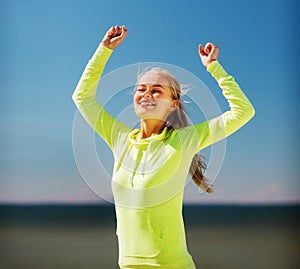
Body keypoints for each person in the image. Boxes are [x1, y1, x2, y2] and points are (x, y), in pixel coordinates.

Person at [72, 25, 255, 269]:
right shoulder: (120, 138)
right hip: (126, 265)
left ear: (172, 104)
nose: (146, 94)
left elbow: (243, 111)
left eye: (157, 91)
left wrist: (214, 68)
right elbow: (82, 97)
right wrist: (104, 50)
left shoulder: (184, 140)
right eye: (141, 89)